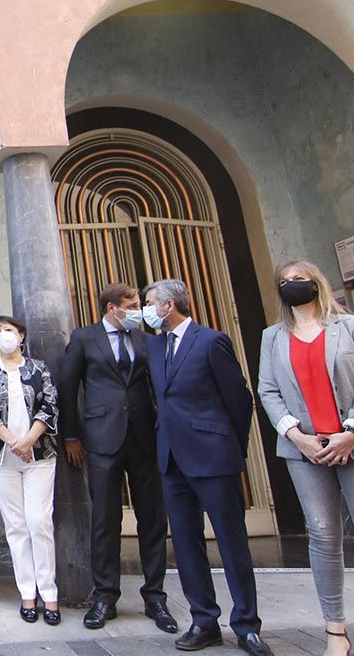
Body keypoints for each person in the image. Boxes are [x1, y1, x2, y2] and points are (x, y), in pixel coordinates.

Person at [256, 260, 354, 656]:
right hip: (304, 448)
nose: (293, 286)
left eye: (299, 279)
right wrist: (296, 436)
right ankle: (335, 633)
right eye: (285, 282)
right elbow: (268, 390)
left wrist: (352, 431)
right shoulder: (272, 337)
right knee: (323, 536)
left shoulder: (351, 327)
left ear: (316, 282)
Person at [142, 279, 273, 656]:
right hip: (171, 458)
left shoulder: (210, 340)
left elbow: (239, 398)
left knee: (232, 542)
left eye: (151, 302)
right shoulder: (154, 346)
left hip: (213, 457)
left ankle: (246, 625)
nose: (147, 310)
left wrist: (231, 447)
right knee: (185, 543)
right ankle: (204, 620)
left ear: (168, 305)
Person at [56, 283, 177, 633]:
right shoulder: (84, 338)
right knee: (104, 521)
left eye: (140, 304)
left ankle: (155, 595)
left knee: (152, 519)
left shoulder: (146, 340)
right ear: (112, 308)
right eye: (133, 304)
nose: (140, 310)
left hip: (144, 438)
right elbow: (68, 388)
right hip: (102, 438)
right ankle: (105, 596)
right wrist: (71, 435)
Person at [0, 316, 61, 625]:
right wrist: (12, 442)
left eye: (8, 330)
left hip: (39, 456)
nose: (3, 336)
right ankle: (28, 592)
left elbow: (49, 405)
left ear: (21, 335)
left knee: (39, 522)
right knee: (16, 526)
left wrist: (29, 440)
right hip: (1, 458)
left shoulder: (39, 369)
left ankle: (50, 594)